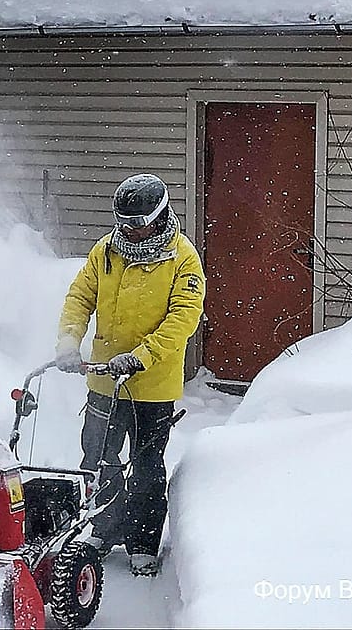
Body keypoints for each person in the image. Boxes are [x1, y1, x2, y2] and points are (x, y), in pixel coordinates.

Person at [54, 173, 206, 577]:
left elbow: (182, 320)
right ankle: (103, 528)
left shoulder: (182, 259)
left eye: (135, 225)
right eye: (122, 223)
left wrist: (140, 357)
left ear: (158, 218)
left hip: (151, 386)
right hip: (103, 381)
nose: (127, 232)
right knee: (98, 458)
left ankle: (142, 541)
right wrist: (69, 343)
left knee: (146, 466)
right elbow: (80, 297)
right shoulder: (106, 251)